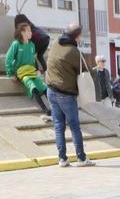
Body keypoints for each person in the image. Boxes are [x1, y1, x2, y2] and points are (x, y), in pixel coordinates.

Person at [42, 21, 94, 166]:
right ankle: (81, 158)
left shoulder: (55, 43)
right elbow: (85, 70)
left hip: (51, 90)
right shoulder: (74, 52)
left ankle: (62, 158)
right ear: (78, 36)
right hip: (66, 93)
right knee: (74, 126)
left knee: (58, 126)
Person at [5, 15, 50, 117]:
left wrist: (37, 69)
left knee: (44, 87)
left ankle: (55, 109)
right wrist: (11, 73)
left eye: (31, 30)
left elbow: (33, 59)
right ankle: (45, 109)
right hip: (22, 73)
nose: (31, 33)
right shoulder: (16, 44)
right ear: (22, 32)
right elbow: (8, 58)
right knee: (33, 88)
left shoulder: (32, 45)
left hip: (32, 71)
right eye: (29, 31)